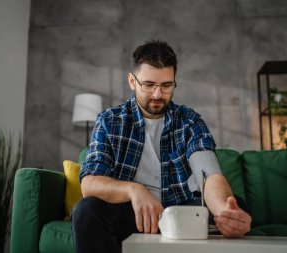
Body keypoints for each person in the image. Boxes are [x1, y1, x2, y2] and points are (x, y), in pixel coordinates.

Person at [71, 40, 252, 253]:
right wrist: (133, 190)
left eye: (166, 85)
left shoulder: (189, 120)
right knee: (86, 210)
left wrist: (225, 213)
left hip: (181, 211)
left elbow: (209, 175)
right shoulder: (110, 121)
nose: (158, 94)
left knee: (237, 206)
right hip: (132, 213)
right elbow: (90, 183)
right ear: (132, 81)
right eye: (148, 85)